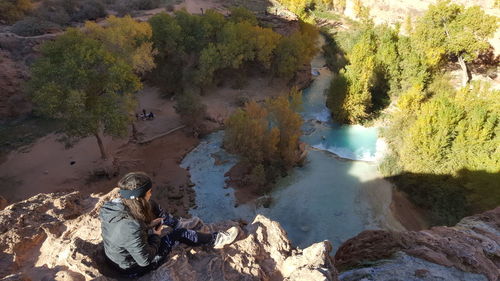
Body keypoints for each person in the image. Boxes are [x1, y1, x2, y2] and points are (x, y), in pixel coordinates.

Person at [99, 172, 239, 277]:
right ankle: (217, 240)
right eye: (149, 191)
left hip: (117, 257)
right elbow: (145, 260)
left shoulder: (110, 207)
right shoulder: (131, 227)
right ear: (139, 196)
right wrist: (156, 235)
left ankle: (177, 223)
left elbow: (127, 229)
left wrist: (147, 225)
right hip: (132, 268)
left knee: (151, 206)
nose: (151, 193)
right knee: (179, 234)